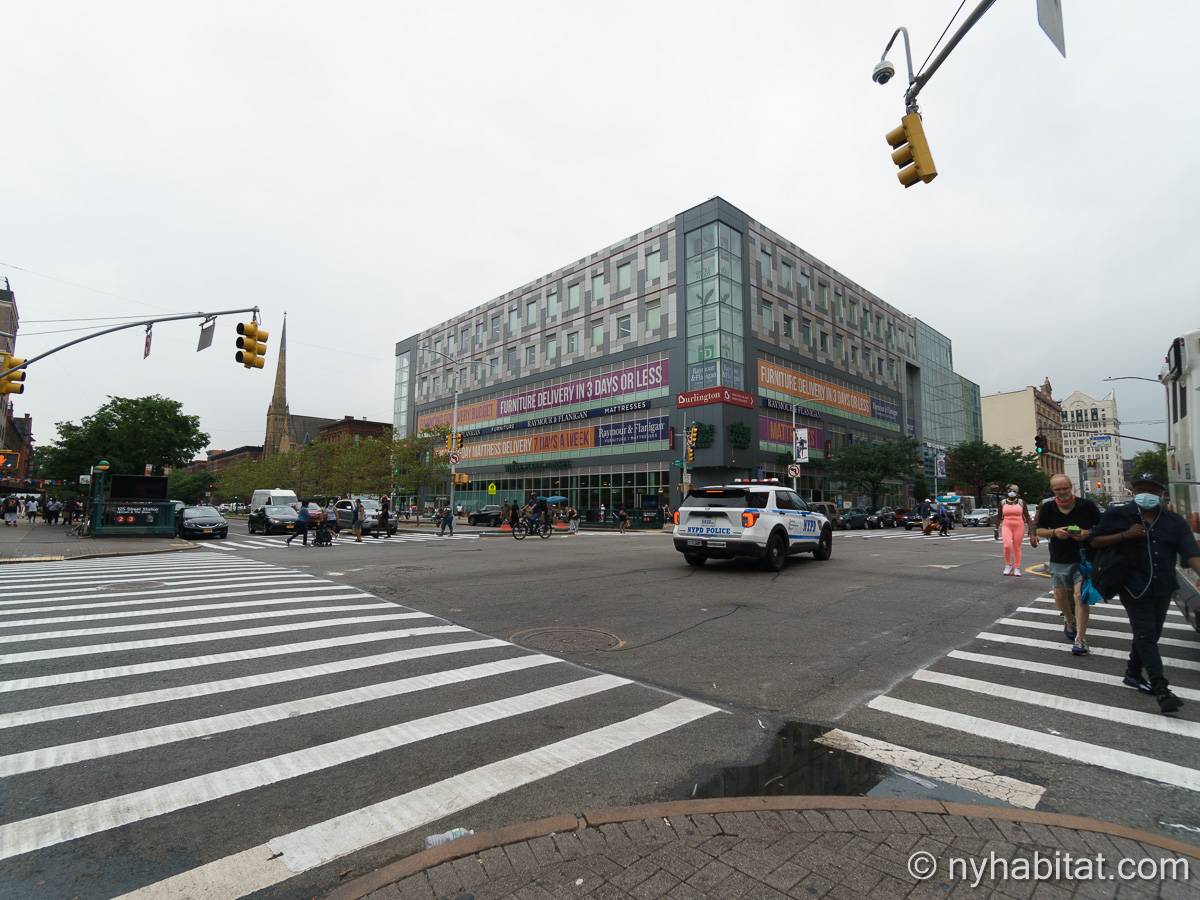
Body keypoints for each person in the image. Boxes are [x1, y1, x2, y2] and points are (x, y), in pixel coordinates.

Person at [1092, 473, 1200, 714]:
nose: (1147, 494)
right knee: (1146, 634)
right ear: (1133, 491)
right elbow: (1095, 540)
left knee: (1152, 633)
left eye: (1152, 490)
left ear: (1161, 494)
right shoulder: (1119, 515)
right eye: (1141, 489)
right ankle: (1161, 689)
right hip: (1133, 586)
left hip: (1163, 587)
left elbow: (1191, 553)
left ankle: (1132, 673)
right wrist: (1125, 535)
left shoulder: (1173, 521)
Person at [1034, 474, 1102, 655]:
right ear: (1052, 490)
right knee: (1060, 596)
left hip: (1083, 558)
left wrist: (1086, 533)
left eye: (1065, 488)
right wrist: (1054, 532)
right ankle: (1070, 620)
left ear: (1071, 486)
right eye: (1058, 489)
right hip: (1059, 558)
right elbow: (1039, 530)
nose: (1062, 492)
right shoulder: (1048, 507)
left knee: (1080, 597)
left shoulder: (1087, 505)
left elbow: (1102, 528)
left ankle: (1080, 639)